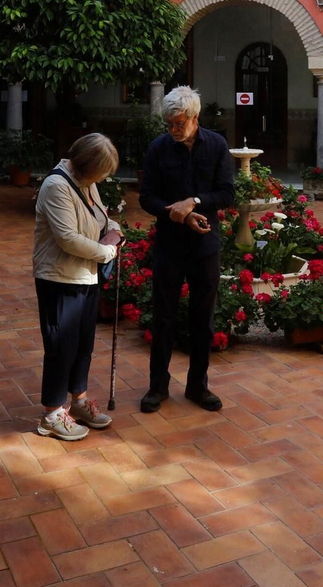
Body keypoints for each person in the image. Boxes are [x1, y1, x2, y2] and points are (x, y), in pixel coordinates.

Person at [137, 86, 235, 414]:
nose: (173, 129)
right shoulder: (158, 148)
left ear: (194, 118)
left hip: (205, 247)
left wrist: (193, 202)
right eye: (169, 124)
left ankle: (198, 386)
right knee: (163, 317)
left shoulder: (217, 146)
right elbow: (146, 197)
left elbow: (226, 193)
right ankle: (157, 386)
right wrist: (175, 213)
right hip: (169, 245)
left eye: (179, 123)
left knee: (202, 319)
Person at [32, 133, 123, 441]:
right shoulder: (57, 186)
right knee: (61, 347)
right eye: (101, 173)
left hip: (86, 276)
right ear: (85, 165)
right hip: (59, 279)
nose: (102, 179)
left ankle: (79, 402)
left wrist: (114, 231)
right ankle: (51, 415)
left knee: (83, 343)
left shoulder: (86, 183)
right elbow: (68, 238)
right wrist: (108, 251)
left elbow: (102, 218)